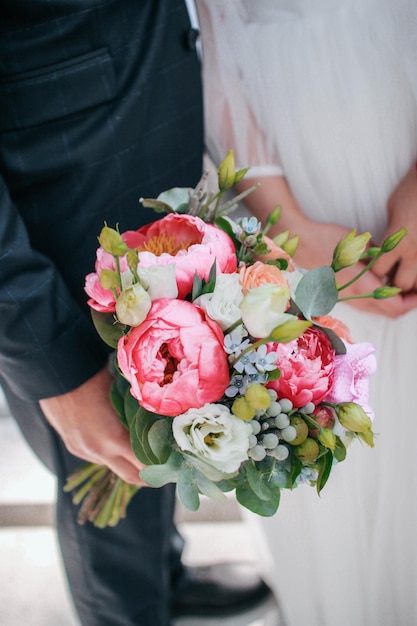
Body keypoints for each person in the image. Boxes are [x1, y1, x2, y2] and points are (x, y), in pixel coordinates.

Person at [0, 2, 272, 625]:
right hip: (58, 226)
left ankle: (161, 574)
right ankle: (127, 607)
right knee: (105, 473)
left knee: (154, 446)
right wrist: (53, 369)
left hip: (138, 156)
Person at [197, 1, 417, 625]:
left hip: (402, 107)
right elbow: (209, 30)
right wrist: (288, 223)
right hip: (280, 156)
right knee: (317, 399)